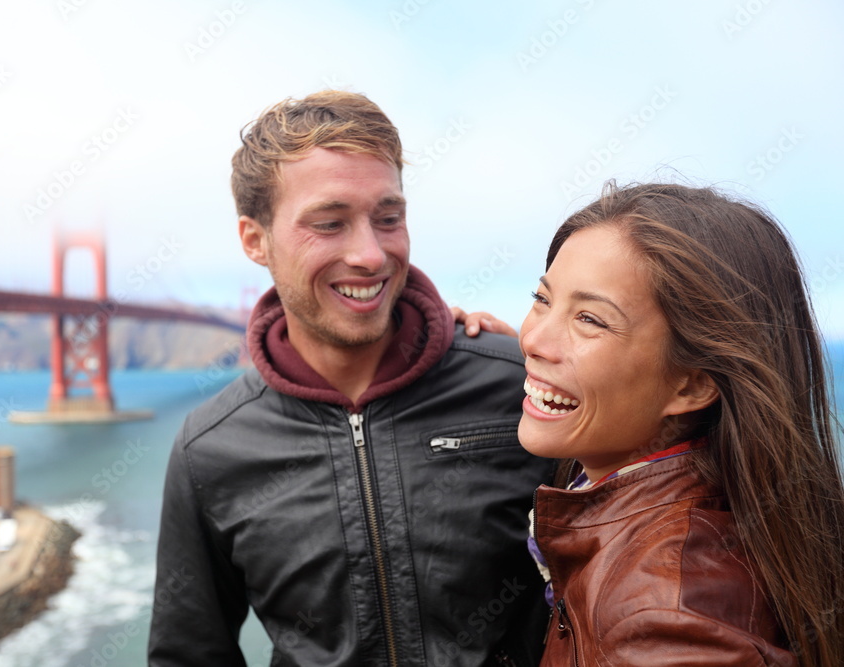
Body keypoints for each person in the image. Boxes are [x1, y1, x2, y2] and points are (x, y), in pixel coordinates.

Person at [148, 91, 555, 666]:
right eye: (330, 223)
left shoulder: (516, 389)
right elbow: (189, 654)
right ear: (254, 240)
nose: (370, 255)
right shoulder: (209, 449)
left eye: (388, 218)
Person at [518, 182, 844, 666]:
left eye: (590, 318)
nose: (533, 340)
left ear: (692, 386)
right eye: (543, 299)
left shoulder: (665, 621)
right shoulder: (720, 510)